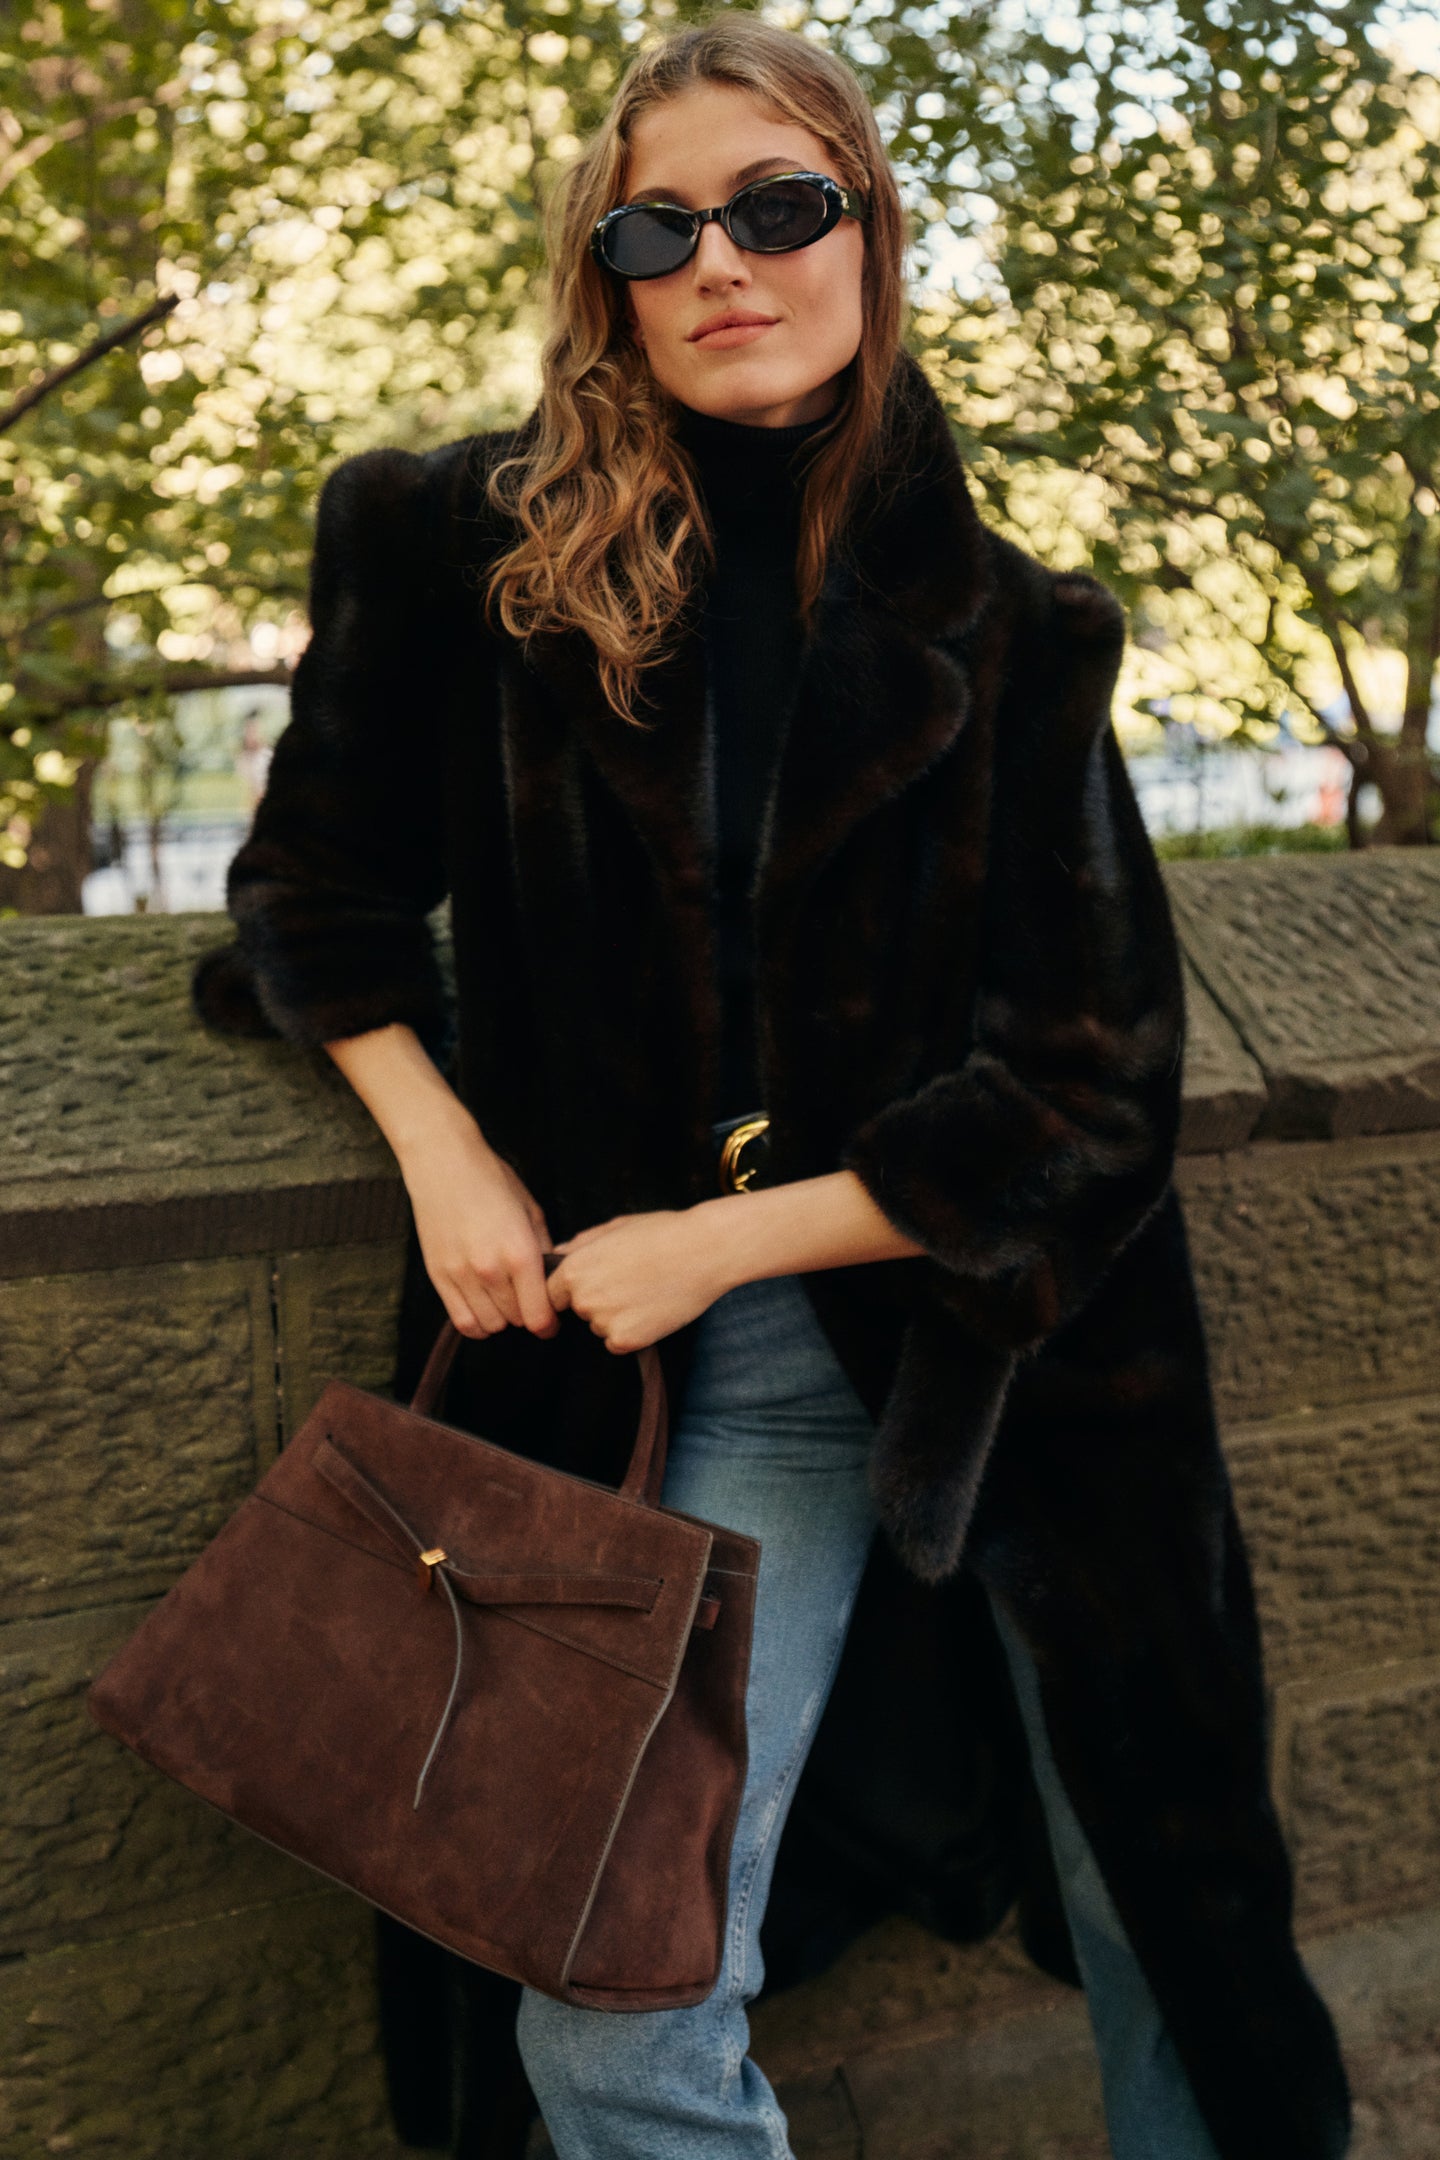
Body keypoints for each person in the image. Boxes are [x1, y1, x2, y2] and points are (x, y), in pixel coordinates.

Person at [193, 16, 1351, 2159]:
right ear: (607, 272)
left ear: (867, 231)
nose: (726, 258)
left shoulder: (1015, 629)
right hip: (650, 1384)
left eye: (780, 205)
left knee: (1168, 1920)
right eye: (663, 224)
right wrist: (443, 1148)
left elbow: (1092, 1089)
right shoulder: (451, 546)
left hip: (1017, 1364)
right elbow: (313, 894)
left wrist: (724, 1232)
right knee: (610, 2007)